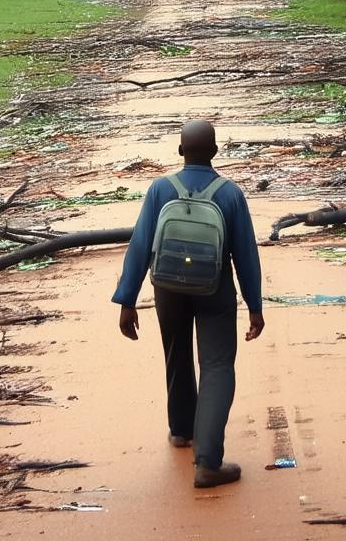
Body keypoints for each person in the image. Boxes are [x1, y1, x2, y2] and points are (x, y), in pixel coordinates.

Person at [112, 120, 264, 489]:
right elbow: (245, 254)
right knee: (216, 365)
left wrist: (127, 300)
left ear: (181, 151)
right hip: (215, 290)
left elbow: (140, 245)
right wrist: (254, 305)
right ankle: (209, 462)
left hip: (168, 288)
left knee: (176, 352)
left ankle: (181, 431)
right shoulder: (230, 194)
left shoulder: (161, 189)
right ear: (214, 152)